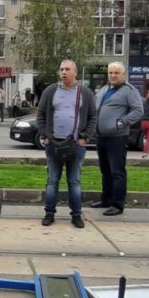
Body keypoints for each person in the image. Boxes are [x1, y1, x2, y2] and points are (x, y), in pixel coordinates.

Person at [36, 60, 96, 229]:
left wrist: (85, 138)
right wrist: (44, 135)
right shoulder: (50, 91)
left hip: (76, 145)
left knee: (74, 181)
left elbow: (92, 117)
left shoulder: (85, 93)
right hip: (53, 145)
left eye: (67, 69)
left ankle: (76, 215)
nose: (63, 72)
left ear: (75, 72)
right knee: (52, 181)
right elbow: (40, 114)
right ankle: (49, 213)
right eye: (61, 69)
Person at [91, 62, 143, 216]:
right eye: (110, 72)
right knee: (105, 170)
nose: (113, 75)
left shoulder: (129, 91)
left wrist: (121, 122)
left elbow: (138, 110)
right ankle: (106, 199)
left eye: (116, 73)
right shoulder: (104, 89)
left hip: (117, 137)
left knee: (117, 171)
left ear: (123, 75)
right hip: (101, 136)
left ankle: (117, 204)